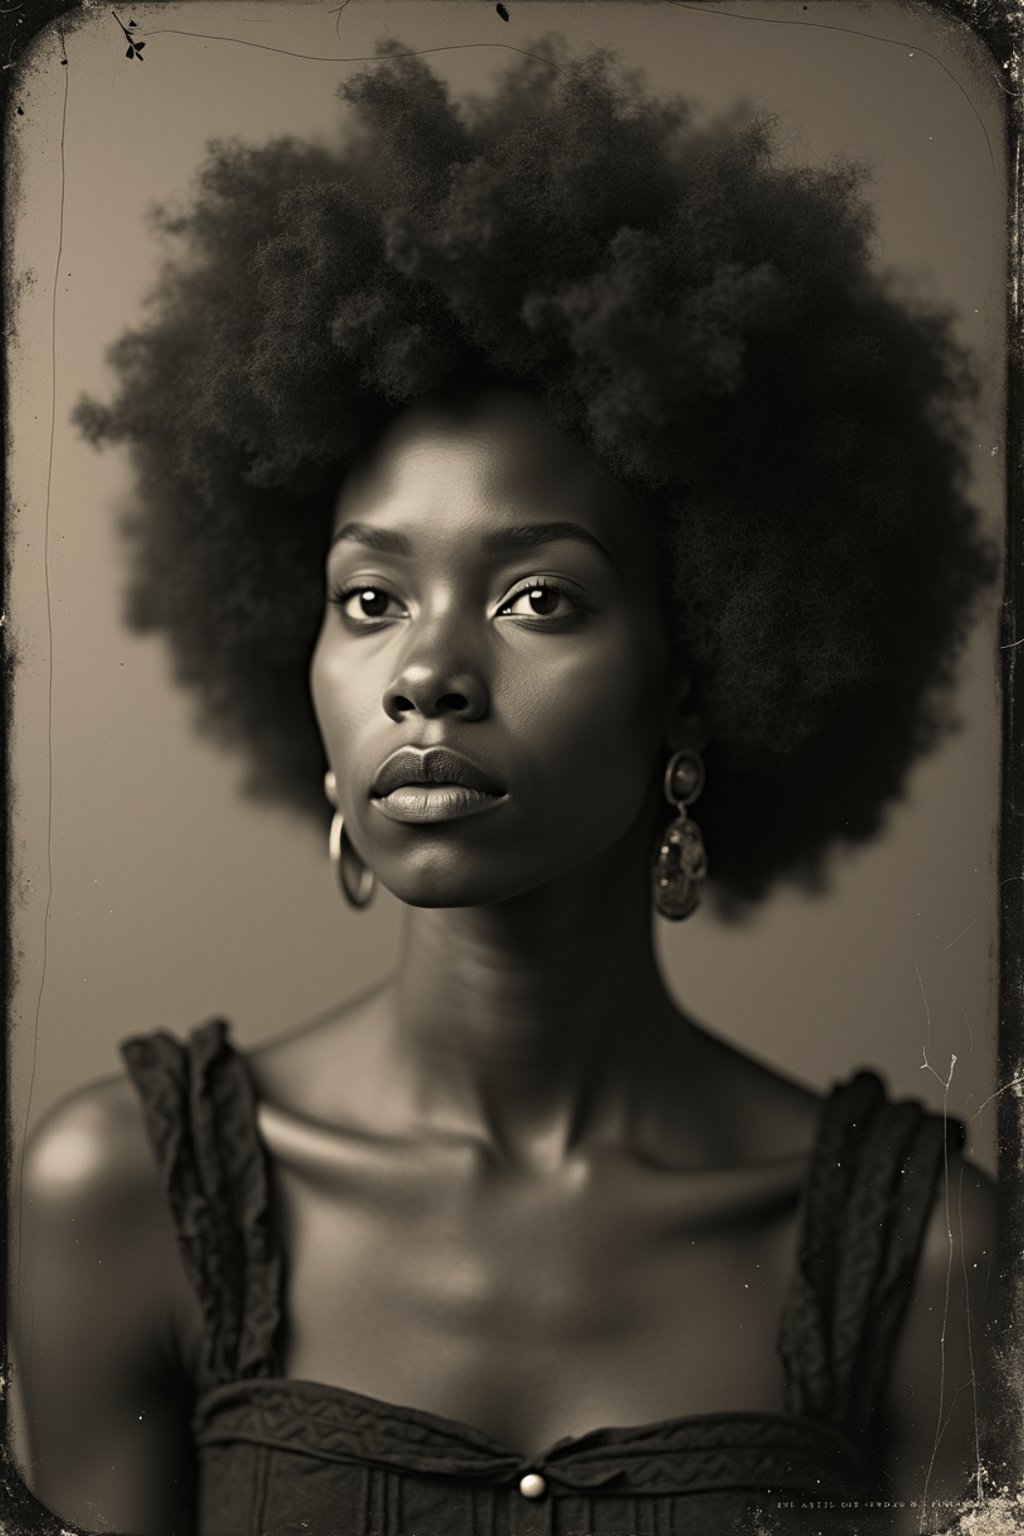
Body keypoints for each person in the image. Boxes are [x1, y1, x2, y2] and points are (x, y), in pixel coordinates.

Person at [12, 37, 1002, 1536]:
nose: (428, 673)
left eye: (539, 597)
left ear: (701, 665)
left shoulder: (929, 1251)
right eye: (368, 600)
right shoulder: (122, 1194)